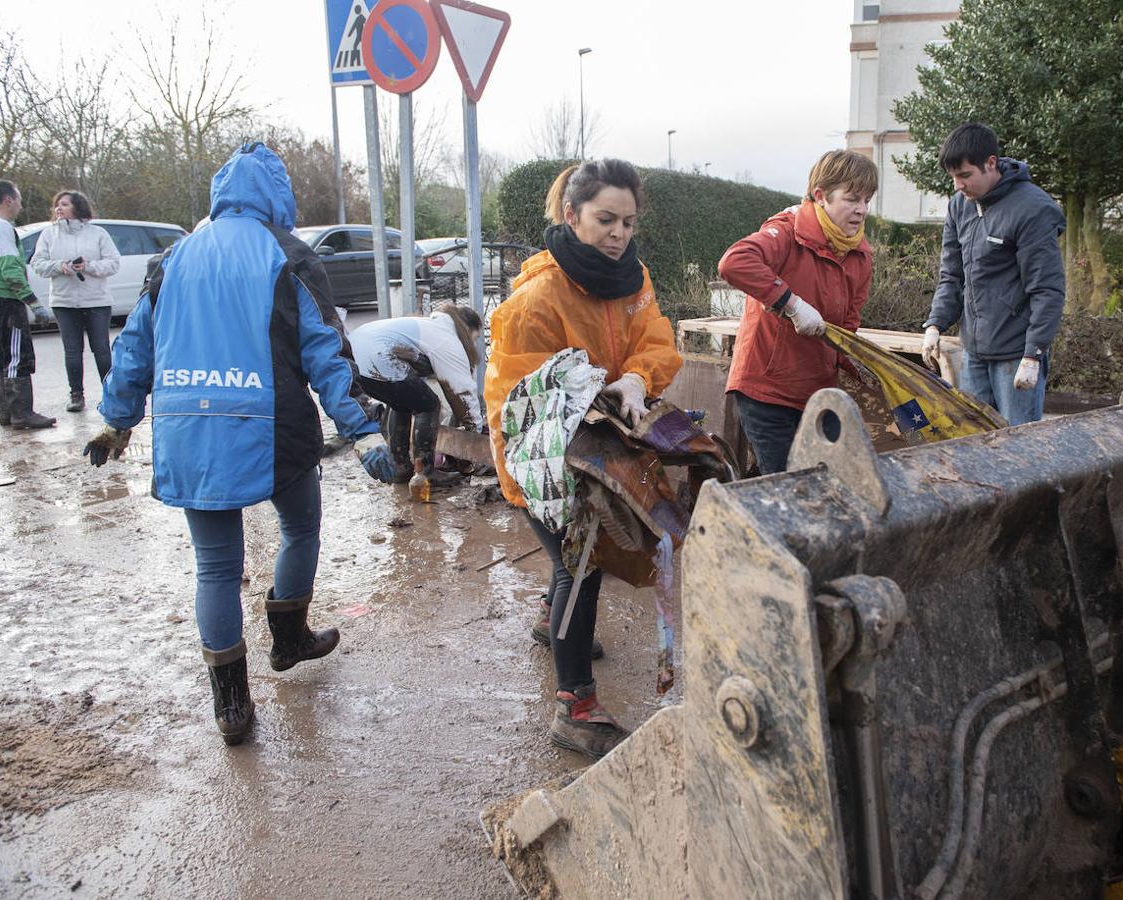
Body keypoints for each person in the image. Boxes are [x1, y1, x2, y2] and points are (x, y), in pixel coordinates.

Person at [83, 143, 397, 746]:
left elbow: (134, 350)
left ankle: (231, 706)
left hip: (189, 430)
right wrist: (362, 430)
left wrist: (118, 422)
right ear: (278, 196)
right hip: (273, 424)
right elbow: (326, 353)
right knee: (301, 527)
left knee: (217, 568)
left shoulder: (172, 258)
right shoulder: (287, 255)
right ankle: (289, 640)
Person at [485, 159, 682, 759]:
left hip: (601, 440)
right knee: (582, 562)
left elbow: (653, 339)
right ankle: (575, 704)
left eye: (627, 221)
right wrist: (595, 396)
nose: (618, 233)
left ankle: (552, 621)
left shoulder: (635, 278)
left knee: (575, 556)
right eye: (605, 220)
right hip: (540, 454)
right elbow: (521, 401)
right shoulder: (535, 301)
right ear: (572, 216)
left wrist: (637, 381)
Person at [719, 150, 878, 474]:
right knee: (786, 486)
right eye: (851, 199)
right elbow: (734, 262)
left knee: (833, 480)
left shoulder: (860, 256)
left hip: (818, 392)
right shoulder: (787, 232)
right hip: (766, 389)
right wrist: (791, 304)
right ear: (820, 196)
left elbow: (847, 326)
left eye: (867, 200)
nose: (861, 210)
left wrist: (860, 363)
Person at [921, 123, 1066, 426]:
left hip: (1016, 355)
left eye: (965, 175)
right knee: (977, 441)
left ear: (990, 163)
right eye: (952, 177)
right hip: (974, 351)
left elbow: (1047, 289)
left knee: (1019, 448)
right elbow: (952, 274)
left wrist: (1033, 354)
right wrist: (935, 323)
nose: (958, 185)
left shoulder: (1032, 209)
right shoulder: (960, 206)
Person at [348, 305, 484, 484]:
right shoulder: (447, 337)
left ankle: (400, 467)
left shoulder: (431, 326)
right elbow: (462, 391)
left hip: (353, 360)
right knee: (428, 405)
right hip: (378, 358)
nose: (475, 343)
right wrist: (476, 429)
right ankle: (425, 471)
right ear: (468, 329)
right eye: (476, 337)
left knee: (403, 403)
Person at [30, 190, 121, 412]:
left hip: (96, 300)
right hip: (64, 301)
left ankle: (111, 394)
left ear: (77, 207)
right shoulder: (49, 234)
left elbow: (113, 263)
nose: (59, 209)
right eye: (57, 205)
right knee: (72, 350)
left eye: (64, 204)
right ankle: (76, 395)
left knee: (101, 349)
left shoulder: (97, 233)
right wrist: (60, 266)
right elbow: (38, 263)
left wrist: (88, 266)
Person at [0, 179, 56, 429]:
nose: (20, 205)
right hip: (5, 300)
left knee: (1, 357)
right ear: (8, 200)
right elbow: (10, 268)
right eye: (18, 200)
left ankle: (5, 413)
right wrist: (32, 302)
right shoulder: (1, 226)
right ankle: (22, 413)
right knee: (18, 356)